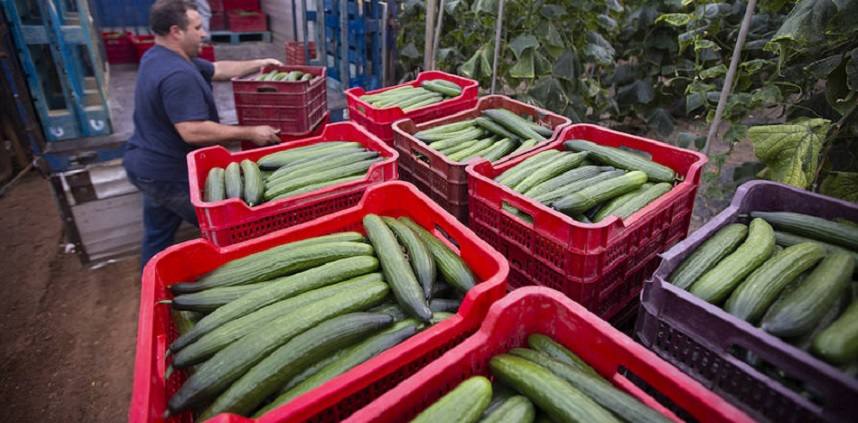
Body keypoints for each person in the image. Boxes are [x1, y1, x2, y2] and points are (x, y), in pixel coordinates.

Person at [124, 0, 282, 267]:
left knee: (158, 231)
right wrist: (250, 132)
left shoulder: (160, 55)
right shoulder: (177, 75)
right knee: (230, 230)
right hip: (168, 173)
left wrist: (261, 62)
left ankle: (149, 280)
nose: (203, 33)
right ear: (177, 31)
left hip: (146, 166)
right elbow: (192, 130)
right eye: (197, 28)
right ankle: (244, 276)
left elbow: (218, 69)